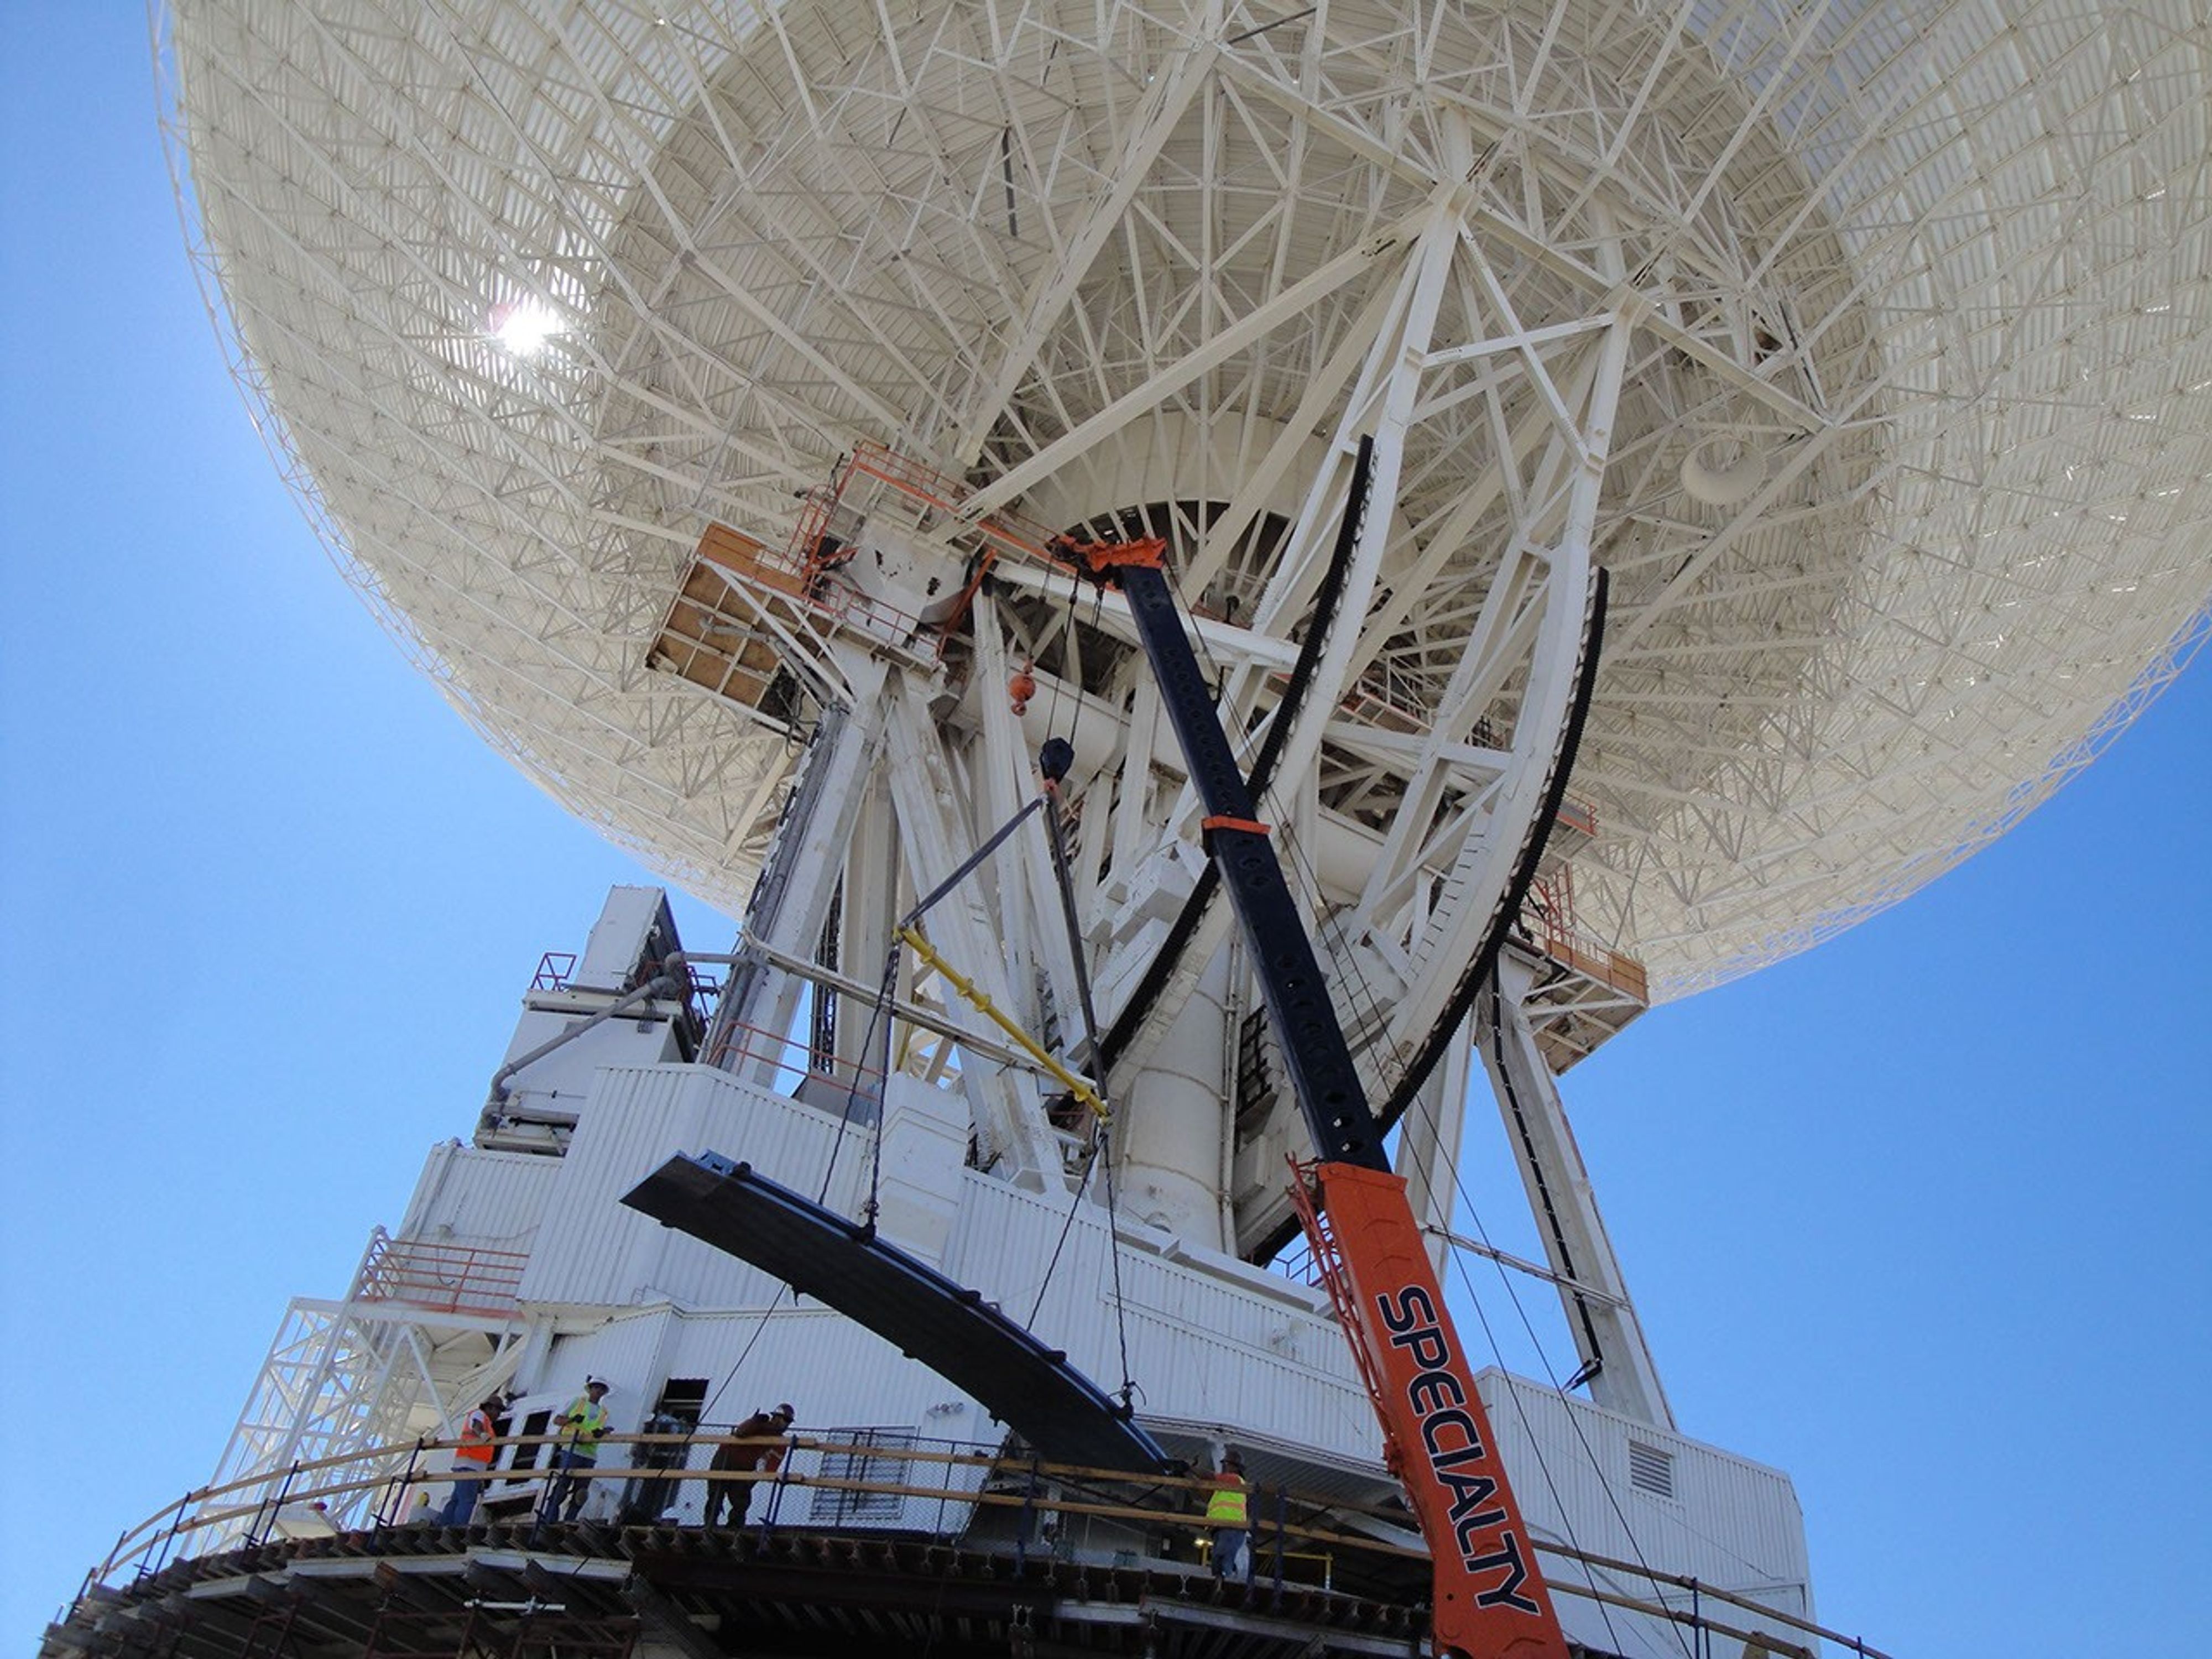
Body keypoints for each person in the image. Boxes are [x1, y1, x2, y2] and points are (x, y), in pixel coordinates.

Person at [703, 1402, 794, 1526]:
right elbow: (740, 1432)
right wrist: (754, 1421)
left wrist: (751, 1481)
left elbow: (771, 1467)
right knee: (716, 1494)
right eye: (785, 1419)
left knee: (741, 1499)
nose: (786, 1424)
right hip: (726, 1459)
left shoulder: (780, 1442)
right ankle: (710, 1526)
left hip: (745, 1467)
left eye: (788, 1421)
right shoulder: (759, 1426)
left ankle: (734, 1527)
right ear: (776, 1417)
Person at [544, 1378, 612, 1522]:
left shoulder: (604, 1412)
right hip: (572, 1449)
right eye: (596, 1388)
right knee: (562, 1487)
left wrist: (602, 1433)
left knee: (581, 1493)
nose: (598, 1391)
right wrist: (572, 1420)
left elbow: (603, 1430)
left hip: (590, 1454)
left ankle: (569, 1521)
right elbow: (557, 1420)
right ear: (590, 1389)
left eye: (601, 1389)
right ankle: (550, 1519)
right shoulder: (578, 1403)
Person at [436, 1394, 504, 1525]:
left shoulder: (486, 1422)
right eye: (498, 1410)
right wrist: (483, 1434)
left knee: (456, 1499)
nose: (499, 1414)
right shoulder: (480, 1414)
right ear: (489, 1408)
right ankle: (458, 1530)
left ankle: (444, 1526)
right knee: (467, 1501)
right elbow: (476, 1425)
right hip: (469, 1465)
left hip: (467, 1465)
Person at [1206, 1452, 1251, 1583]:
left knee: (1223, 1556)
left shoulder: (1235, 1480)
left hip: (1232, 1527)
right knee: (1217, 1559)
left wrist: (1189, 1468)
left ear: (1236, 1468)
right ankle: (1221, 1582)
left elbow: (1209, 1477)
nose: (1224, 1466)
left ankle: (1225, 1582)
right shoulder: (1224, 1487)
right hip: (1221, 1528)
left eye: (1226, 1464)